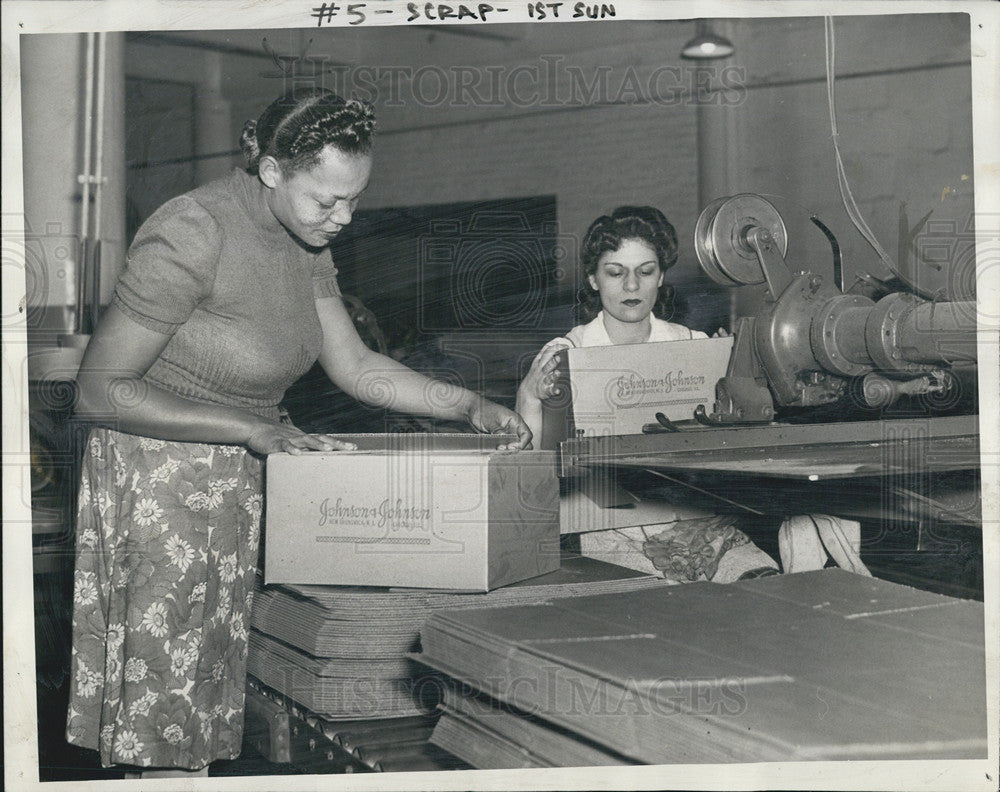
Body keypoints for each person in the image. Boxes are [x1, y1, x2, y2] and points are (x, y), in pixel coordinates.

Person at [66, 88, 530, 776]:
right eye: (328, 200)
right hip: (157, 482)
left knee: (201, 709)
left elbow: (355, 364)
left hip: (238, 478)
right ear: (272, 170)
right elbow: (100, 390)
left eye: (354, 198)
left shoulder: (303, 239)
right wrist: (252, 428)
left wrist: (466, 406)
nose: (344, 217)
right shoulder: (193, 229)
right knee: (161, 716)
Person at [517, 205, 779, 583]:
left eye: (645, 271)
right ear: (593, 279)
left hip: (695, 516)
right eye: (614, 272)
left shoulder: (694, 345)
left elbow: (737, 448)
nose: (631, 287)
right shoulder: (565, 354)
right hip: (608, 526)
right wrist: (529, 396)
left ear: (661, 277)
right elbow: (528, 471)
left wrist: (733, 380)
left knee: (762, 584)